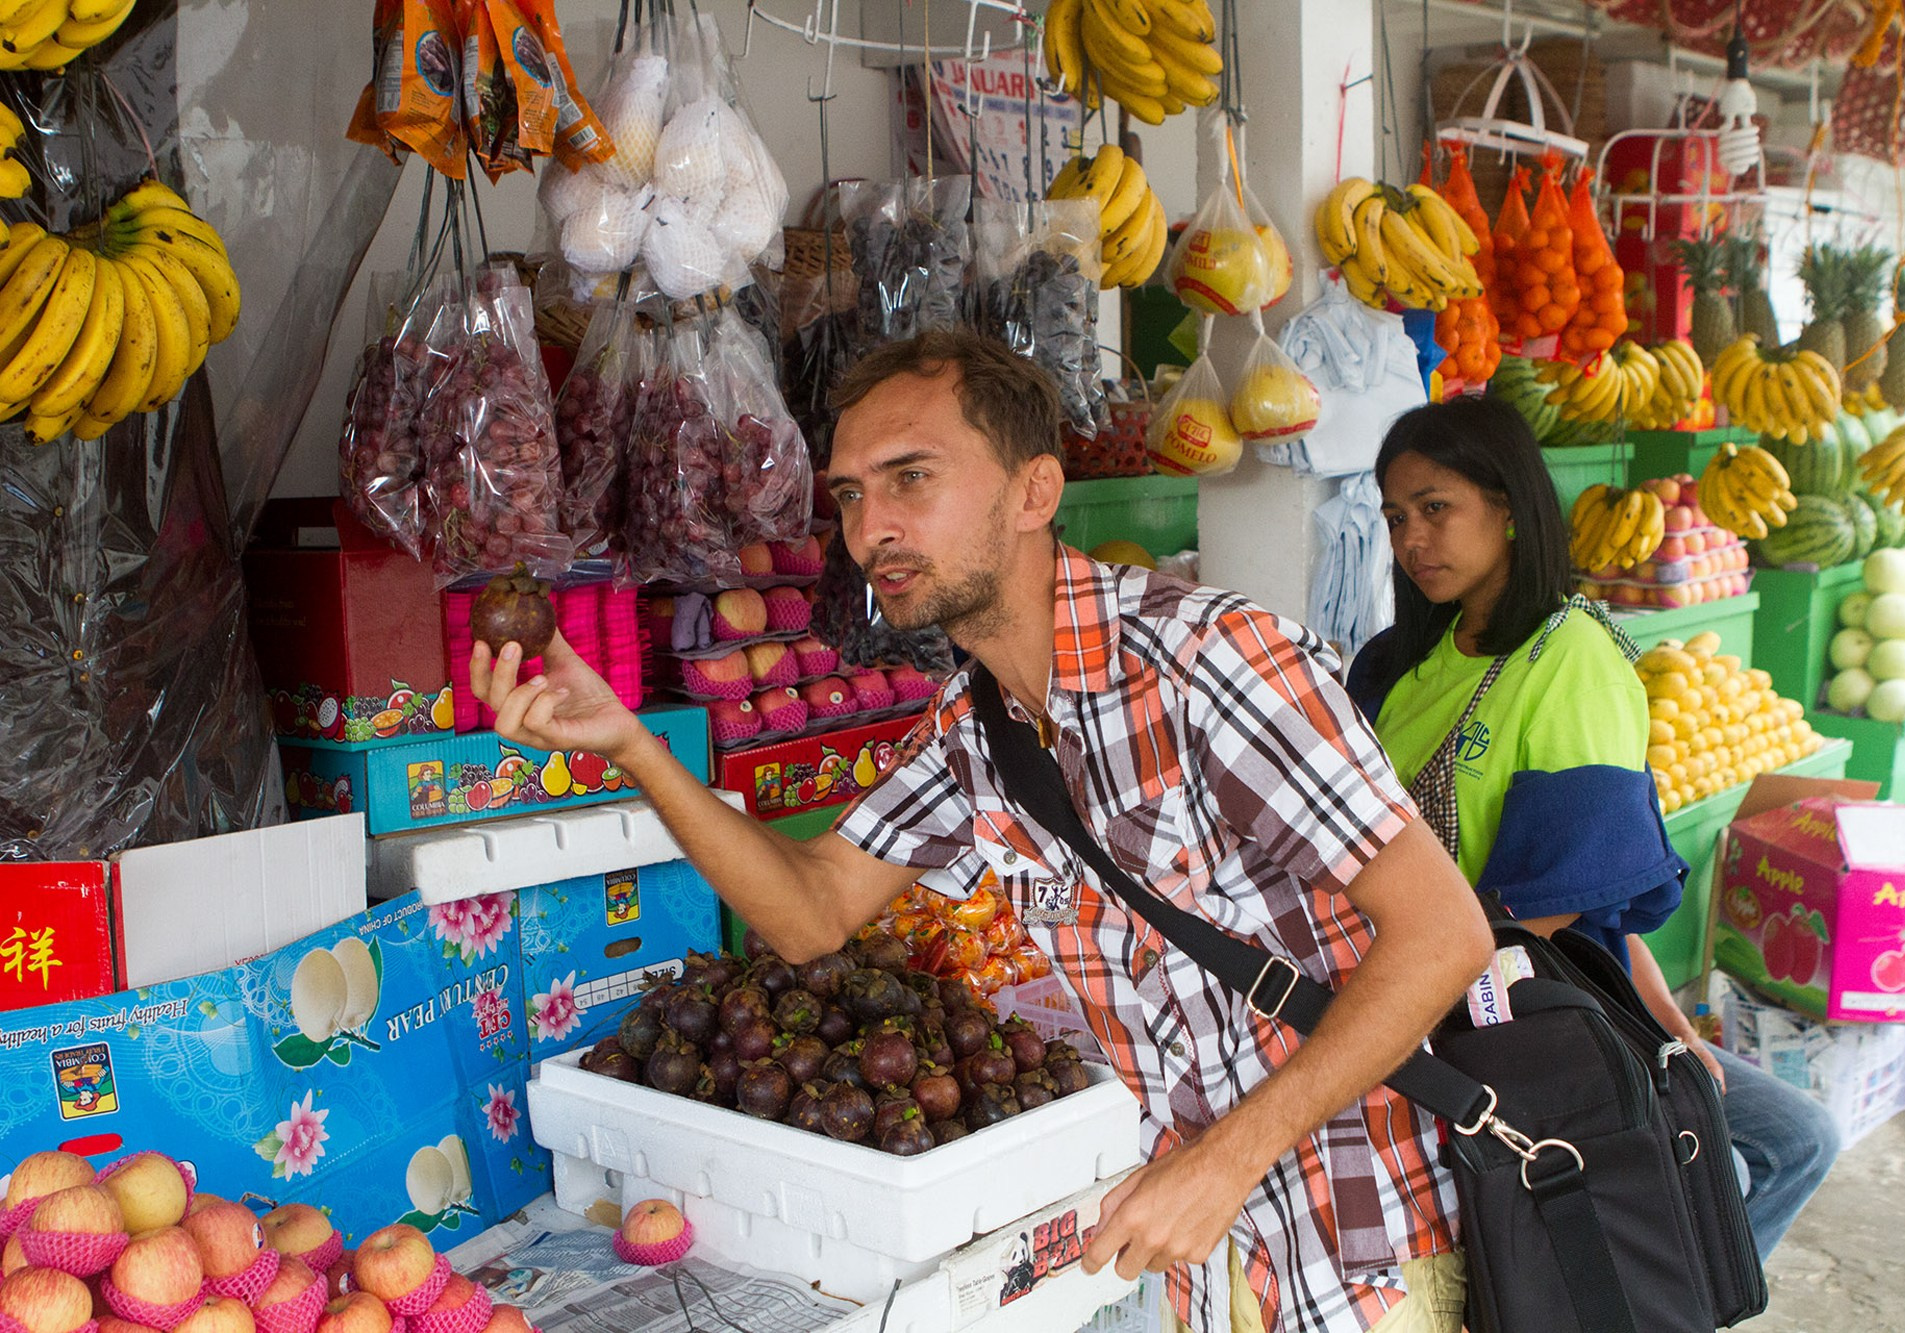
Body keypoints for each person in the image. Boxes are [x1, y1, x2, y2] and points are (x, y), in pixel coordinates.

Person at [471, 330, 1495, 1332]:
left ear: (1034, 492)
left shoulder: (1209, 662)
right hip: (1211, 1260)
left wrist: (1227, 1159)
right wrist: (635, 747)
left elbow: (1443, 934)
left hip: (1364, 1253)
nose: (870, 529)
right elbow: (812, 912)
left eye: (911, 478)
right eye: (850, 494)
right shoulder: (974, 728)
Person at [1346, 393, 1841, 1262]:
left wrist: (1673, 1032)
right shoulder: (1393, 664)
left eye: (1435, 508)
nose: (1411, 539)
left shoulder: (1570, 656)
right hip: (1425, 1000)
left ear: (1508, 506)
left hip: (1502, 998)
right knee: (1745, 1159)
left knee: (1788, 1140)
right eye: (1395, 517)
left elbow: (1570, 907)